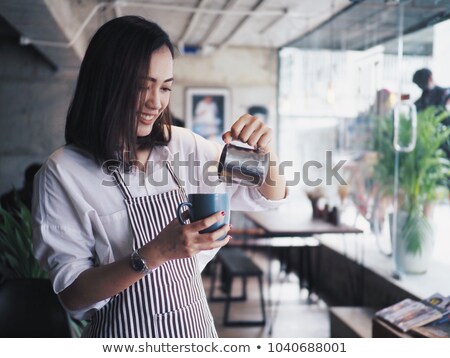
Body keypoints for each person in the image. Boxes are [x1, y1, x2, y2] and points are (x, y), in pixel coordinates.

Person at [32, 16, 287, 338]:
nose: (156, 102)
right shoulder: (63, 173)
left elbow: (268, 197)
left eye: (165, 87)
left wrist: (267, 152)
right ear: (105, 82)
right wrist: (157, 252)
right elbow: (72, 295)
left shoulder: (182, 145)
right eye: (142, 86)